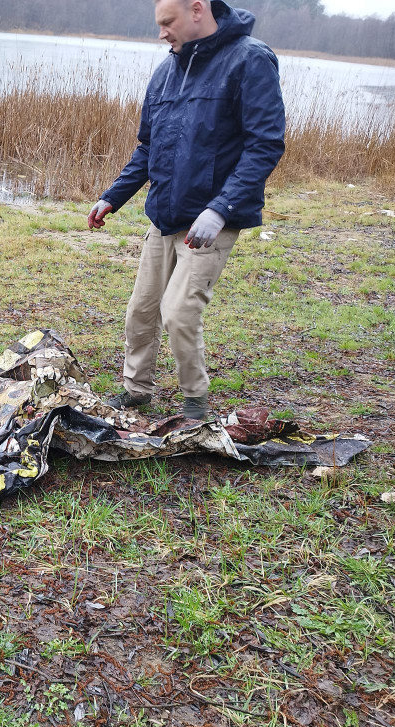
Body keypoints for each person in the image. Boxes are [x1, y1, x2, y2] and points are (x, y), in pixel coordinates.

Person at [88, 0, 285, 420]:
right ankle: (137, 390)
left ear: (197, 10)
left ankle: (195, 404)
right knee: (141, 310)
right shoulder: (165, 71)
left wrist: (219, 210)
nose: (161, 33)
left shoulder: (251, 60)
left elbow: (264, 145)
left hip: (209, 222)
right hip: (165, 215)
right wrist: (113, 196)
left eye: (167, 23)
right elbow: (148, 147)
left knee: (178, 313)